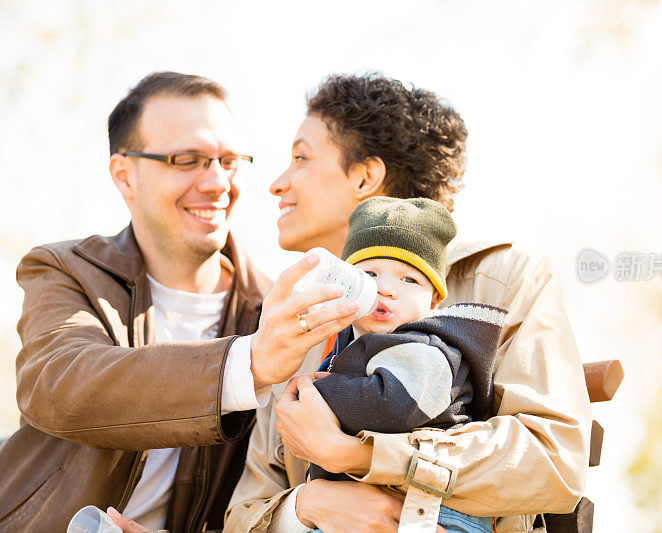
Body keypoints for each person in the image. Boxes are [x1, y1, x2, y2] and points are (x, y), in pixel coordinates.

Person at [225, 73, 592, 533]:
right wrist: (305, 506)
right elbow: (246, 510)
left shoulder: (502, 278)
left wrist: (359, 456)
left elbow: (554, 459)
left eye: (301, 158)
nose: (277, 183)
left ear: (365, 177)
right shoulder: (297, 318)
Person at [0, 71, 358, 532]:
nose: (216, 183)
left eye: (228, 160)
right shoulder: (65, 268)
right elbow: (59, 386)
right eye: (187, 159)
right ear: (124, 175)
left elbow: (260, 497)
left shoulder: (275, 310)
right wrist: (248, 363)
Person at [308, 196, 507, 533]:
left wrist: (317, 390)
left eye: (409, 280)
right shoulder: (345, 344)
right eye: (369, 273)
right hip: (372, 505)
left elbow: (390, 405)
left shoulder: (428, 349)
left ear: (434, 301)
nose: (385, 288)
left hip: (438, 510)